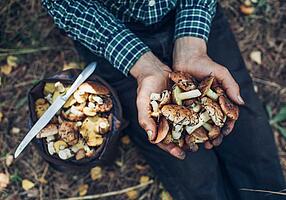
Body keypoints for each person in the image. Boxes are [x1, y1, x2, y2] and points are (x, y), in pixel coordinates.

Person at [42, 1, 285, 199]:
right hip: (110, 35)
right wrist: (143, 65)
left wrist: (192, 43)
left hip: (191, 13)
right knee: (194, 177)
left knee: (256, 153)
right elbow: (67, 5)